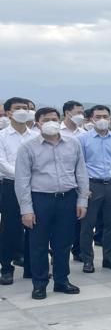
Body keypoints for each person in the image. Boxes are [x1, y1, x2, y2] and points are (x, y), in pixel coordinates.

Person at [15, 107, 89, 300]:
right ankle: (39, 284)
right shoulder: (28, 147)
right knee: (38, 244)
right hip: (40, 199)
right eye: (46, 119)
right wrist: (26, 210)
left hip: (67, 198)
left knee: (63, 243)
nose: (50, 122)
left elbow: (81, 173)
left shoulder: (73, 144)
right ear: (37, 123)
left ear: (60, 120)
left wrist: (82, 200)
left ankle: (62, 280)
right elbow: (22, 180)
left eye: (54, 119)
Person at [78, 105, 111, 272]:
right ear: (91, 119)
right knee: (87, 225)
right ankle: (87, 259)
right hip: (92, 185)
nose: (102, 120)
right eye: (98, 117)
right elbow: (79, 165)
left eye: (105, 116)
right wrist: (83, 189)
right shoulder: (83, 139)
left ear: (110, 118)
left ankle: (108, 258)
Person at [0, 97, 38, 285]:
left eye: (26, 108)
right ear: (8, 113)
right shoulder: (2, 136)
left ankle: (31, 268)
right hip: (11, 186)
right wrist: (23, 176)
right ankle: (6, 268)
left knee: (34, 228)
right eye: (18, 108)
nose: (23, 111)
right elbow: (2, 163)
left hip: (35, 187)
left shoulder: (36, 136)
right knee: (10, 228)